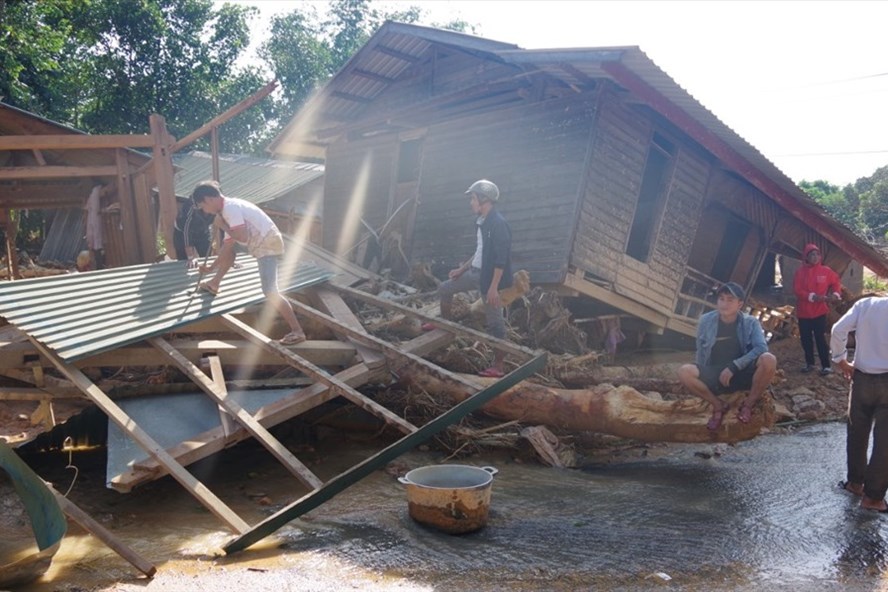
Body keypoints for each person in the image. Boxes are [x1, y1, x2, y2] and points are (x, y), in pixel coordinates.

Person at [190, 180, 306, 346]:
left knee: (270, 291)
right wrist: (211, 268)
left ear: (208, 199)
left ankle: (297, 331)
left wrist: (222, 225)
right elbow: (228, 245)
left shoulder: (230, 209)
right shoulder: (227, 209)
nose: (205, 211)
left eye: (203, 206)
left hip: (267, 244)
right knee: (230, 251)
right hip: (263, 242)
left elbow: (242, 237)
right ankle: (214, 283)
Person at [426, 179, 513, 378]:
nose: (471, 203)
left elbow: (501, 260)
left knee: (495, 324)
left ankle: (498, 367)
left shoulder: (498, 224)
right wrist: (462, 270)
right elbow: (480, 252)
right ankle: (446, 325)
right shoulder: (482, 222)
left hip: (490, 280)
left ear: (484, 200)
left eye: (473, 198)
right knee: (445, 288)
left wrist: (493, 288)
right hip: (475, 273)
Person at [677, 282, 777, 430]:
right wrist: (699, 379)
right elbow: (700, 349)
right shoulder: (706, 320)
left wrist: (734, 366)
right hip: (715, 373)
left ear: (740, 304)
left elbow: (761, 347)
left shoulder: (750, 322)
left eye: (730, 300)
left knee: (769, 359)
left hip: (741, 371)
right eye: (721, 299)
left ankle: (748, 405)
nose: (724, 304)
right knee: (684, 371)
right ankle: (718, 405)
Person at [830, 296, 888, 513]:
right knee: (885, 443)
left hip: (862, 378)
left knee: (857, 432)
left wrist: (841, 361)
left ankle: (855, 484)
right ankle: (873, 498)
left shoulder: (866, 305)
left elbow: (838, 329)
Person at [793, 243, 842, 375]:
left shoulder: (826, 271)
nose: (815, 257)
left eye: (817, 254)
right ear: (806, 257)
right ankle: (810, 364)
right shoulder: (800, 272)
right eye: (812, 255)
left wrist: (836, 294)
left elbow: (836, 282)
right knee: (806, 339)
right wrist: (812, 297)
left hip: (820, 311)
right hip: (804, 312)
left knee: (820, 338)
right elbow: (797, 290)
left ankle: (826, 366)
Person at [173, 197, 214, 268]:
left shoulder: (217, 206)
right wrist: (190, 257)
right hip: (182, 233)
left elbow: (220, 227)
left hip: (202, 231)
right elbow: (186, 232)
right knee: (186, 262)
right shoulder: (192, 208)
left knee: (206, 256)